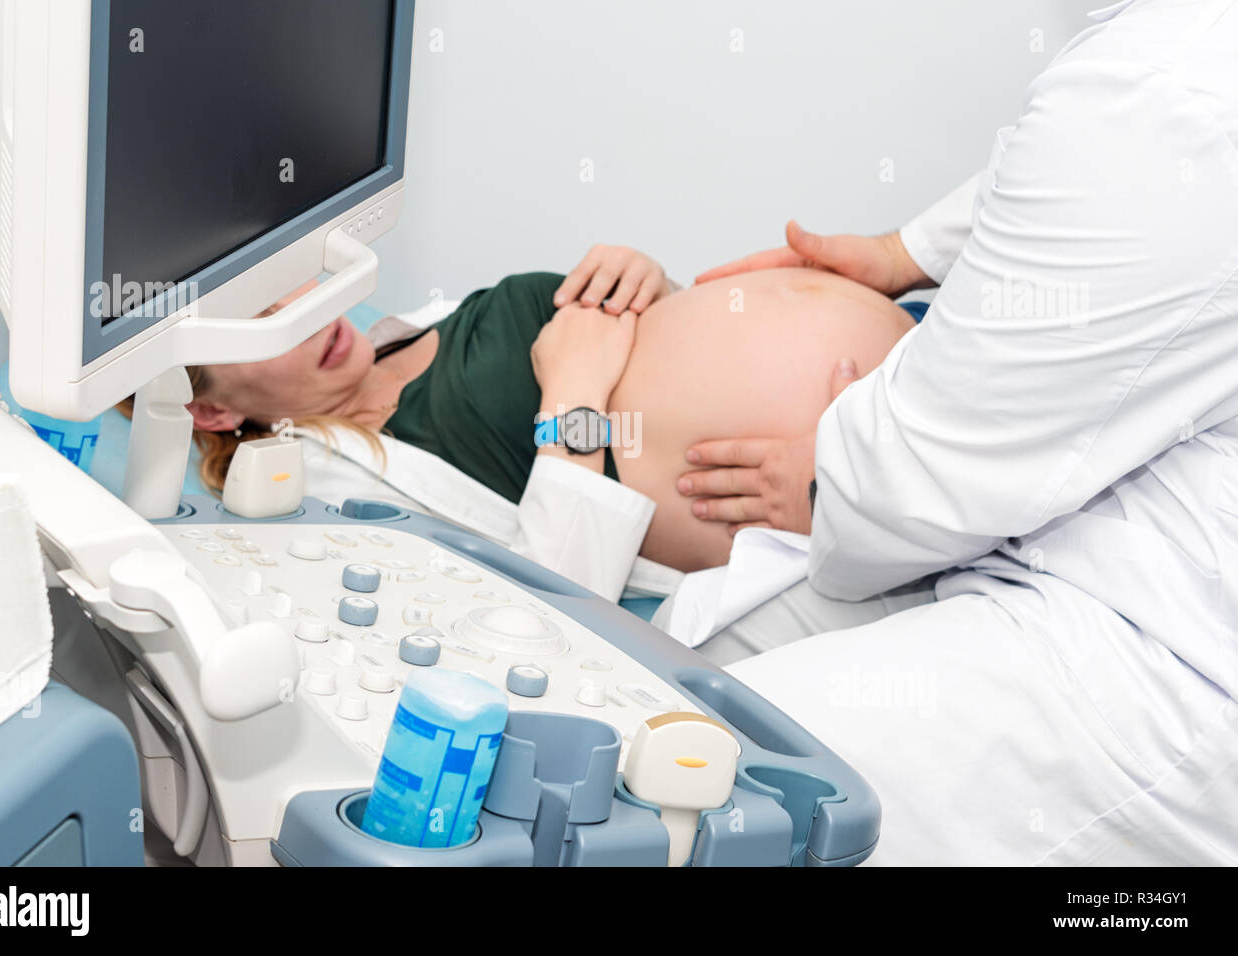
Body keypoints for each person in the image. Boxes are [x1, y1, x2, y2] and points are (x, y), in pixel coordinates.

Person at [664, 0, 1238, 864]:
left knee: (693, 784)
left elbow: (919, 487)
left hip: (1163, 658)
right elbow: (1103, 165)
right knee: (671, 656)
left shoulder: (1169, 85)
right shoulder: (1164, 67)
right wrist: (908, 250)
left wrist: (822, 485)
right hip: (1030, 509)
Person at [161, 248, 915, 601]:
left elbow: (654, 359)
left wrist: (656, 290)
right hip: (855, 499)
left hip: (911, 368)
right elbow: (547, 605)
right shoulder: (323, 489)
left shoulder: (415, 326)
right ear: (214, 410)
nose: (307, 309)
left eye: (283, 282)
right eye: (262, 323)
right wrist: (575, 395)